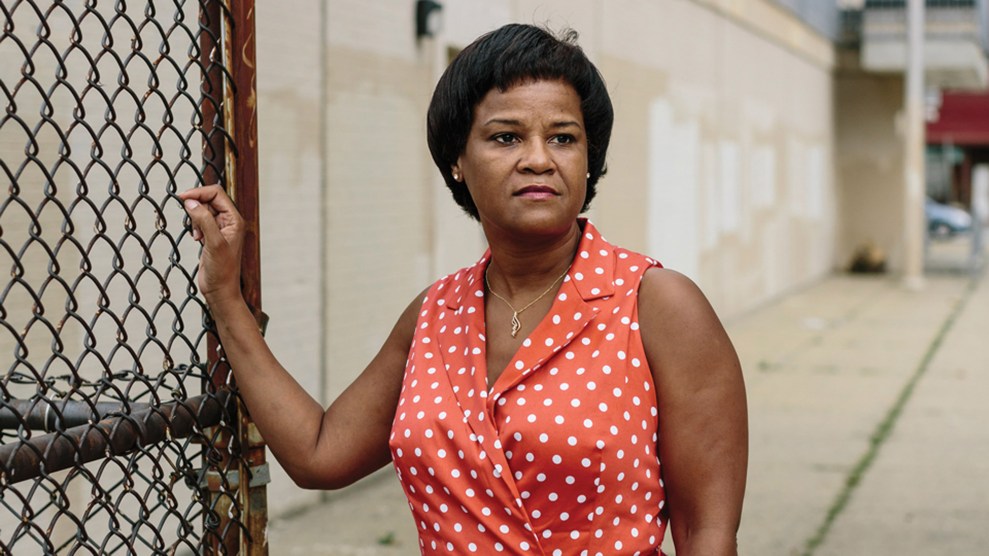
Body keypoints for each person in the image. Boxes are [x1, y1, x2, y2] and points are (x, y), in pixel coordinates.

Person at [180, 23, 746, 556]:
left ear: (588, 156)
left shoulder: (656, 305)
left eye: (563, 138)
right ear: (457, 160)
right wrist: (225, 297)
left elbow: (706, 531)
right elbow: (319, 454)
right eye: (506, 137)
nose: (539, 159)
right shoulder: (434, 315)